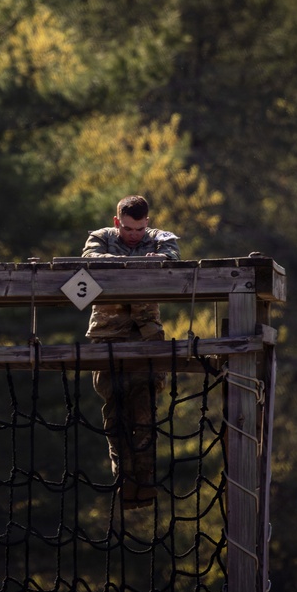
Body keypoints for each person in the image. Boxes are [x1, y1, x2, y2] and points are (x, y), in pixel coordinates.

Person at [82, 195, 181, 508]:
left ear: (147, 223)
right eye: (127, 228)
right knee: (114, 413)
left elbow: (171, 260)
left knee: (143, 412)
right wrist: (140, 265)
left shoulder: (161, 239)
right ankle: (124, 480)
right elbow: (91, 262)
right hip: (107, 335)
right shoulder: (100, 238)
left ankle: (144, 481)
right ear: (116, 223)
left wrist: (143, 264)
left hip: (145, 337)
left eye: (139, 228)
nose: (134, 234)